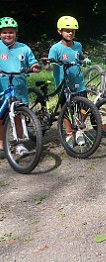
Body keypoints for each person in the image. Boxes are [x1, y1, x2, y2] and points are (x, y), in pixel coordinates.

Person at [46, 16, 90, 147]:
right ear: (60, 31)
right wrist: (50, 64)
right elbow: (51, 63)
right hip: (63, 84)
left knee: (84, 108)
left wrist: (85, 60)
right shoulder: (56, 48)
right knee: (67, 110)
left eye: (72, 30)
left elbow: (80, 57)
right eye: (66, 30)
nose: (70, 33)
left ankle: (79, 130)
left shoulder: (78, 45)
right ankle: (69, 134)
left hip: (78, 82)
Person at [0, 17, 40, 158]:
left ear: (16, 33)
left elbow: (32, 62)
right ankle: (1, 143)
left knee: (18, 115)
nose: (8, 35)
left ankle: (20, 143)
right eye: (4, 32)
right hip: (2, 87)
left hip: (19, 88)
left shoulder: (24, 48)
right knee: (2, 117)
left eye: (11, 32)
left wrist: (35, 67)